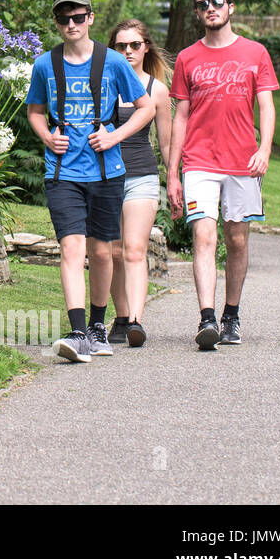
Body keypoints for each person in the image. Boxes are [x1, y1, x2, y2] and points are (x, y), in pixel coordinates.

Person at [26, 0, 155, 363]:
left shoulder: (113, 62)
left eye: (78, 17)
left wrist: (114, 134)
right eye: (64, 18)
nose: (71, 24)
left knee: (101, 251)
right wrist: (48, 136)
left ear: (90, 19)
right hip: (63, 172)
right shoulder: (44, 65)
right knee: (71, 247)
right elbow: (35, 111)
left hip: (107, 171)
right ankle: (77, 330)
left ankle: (98, 327)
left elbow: (145, 108)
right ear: (56, 22)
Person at [167, 0, 278, 350]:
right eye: (203, 5)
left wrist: (264, 149)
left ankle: (231, 314)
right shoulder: (186, 58)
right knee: (204, 234)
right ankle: (206, 319)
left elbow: (266, 105)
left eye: (217, 2)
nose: (210, 8)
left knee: (237, 239)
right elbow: (180, 116)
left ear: (230, 7)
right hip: (199, 161)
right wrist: (173, 173)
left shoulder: (256, 53)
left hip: (243, 161)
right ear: (197, 13)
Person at [105, 20, 173, 348]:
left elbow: (167, 142)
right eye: (121, 46)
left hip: (141, 176)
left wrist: (173, 180)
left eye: (135, 45)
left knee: (134, 249)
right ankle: (120, 318)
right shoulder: (102, 84)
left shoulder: (156, 90)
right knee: (114, 252)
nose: (128, 51)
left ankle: (135, 321)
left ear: (146, 47)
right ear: (113, 50)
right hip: (105, 177)